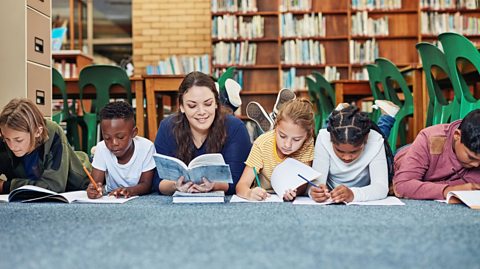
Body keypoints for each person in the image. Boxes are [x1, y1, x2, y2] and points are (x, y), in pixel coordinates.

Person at [153, 71, 252, 195]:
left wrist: (214, 185)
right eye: (192, 106)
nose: (201, 112)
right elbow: (157, 180)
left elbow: (238, 180)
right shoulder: (167, 127)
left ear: (216, 103)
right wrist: (175, 185)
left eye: (208, 104)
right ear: (182, 107)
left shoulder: (235, 128)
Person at [309, 104, 397, 203]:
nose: (346, 158)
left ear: (366, 138)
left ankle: (341, 113)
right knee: (326, 128)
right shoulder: (324, 138)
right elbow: (316, 183)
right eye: (339, 151)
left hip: (373, 142)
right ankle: (340, 114)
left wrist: (353, 194)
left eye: (354, 151)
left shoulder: (375, 140)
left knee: (381, 137)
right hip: (331, 190)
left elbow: (381, 188)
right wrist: (314, 191)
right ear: (331, 140)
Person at [0, 98, 90, 194]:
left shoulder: (53, 133)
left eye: (19, 140)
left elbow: (53, 187)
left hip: (80, 179)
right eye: (6, 139)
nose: (12, 146)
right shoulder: (6, 134)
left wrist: (5, 186)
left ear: (38, 131)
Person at [236, 98, 315, 201]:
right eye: (282, 136)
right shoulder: (262, 143)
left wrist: (295, 190)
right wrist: (249, 193)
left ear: (307, 137)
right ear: (275, 127)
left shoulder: (307, 144)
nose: (287, 145)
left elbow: (303, 182)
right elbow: (241, 185)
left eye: (296, 139)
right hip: (265, 198)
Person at [393, 109, 480, 200]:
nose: (476, 165)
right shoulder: (430, 139)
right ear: (457, 135)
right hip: (403, 155)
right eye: (471, 157)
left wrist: (421, 187)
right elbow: (402, 186)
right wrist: (448, 190)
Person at [86, 101, 156, 199]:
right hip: (111, 197)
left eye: (120, 137)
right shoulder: (102, 148)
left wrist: (128, 191)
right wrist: (93, 190)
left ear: (134, 133)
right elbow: (96, 183)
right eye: (107, 138)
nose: (114, 143)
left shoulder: (146, 147)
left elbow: (146, 185)